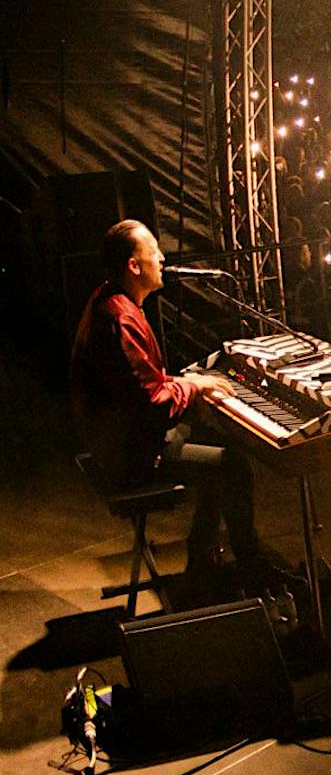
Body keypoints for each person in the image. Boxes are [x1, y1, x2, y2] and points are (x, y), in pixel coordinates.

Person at [70, 220, 289, 595]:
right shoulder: (122, 318)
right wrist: (191, 387)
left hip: (122, 442)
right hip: (130, 458)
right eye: (153, 250)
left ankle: (202, 556)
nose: (162, 257)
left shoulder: (113, 302)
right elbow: (151, 403)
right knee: (233, 465)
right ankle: (250, 568)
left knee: (212, 435)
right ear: (133, 266)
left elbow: (141, 385)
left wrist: (188, 388)